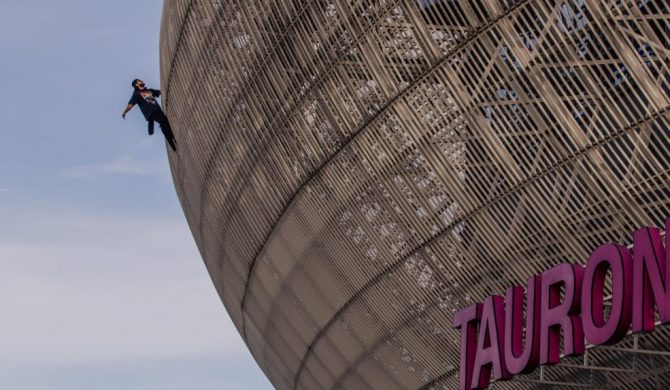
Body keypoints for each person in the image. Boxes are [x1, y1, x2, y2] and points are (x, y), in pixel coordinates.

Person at [122, 79, 177, 152]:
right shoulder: (136, 94)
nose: (142, 81)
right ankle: (172, 138)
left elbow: (160, 92)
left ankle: (172, 142)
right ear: (136, 85)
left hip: (157, 111)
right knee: (163, 122)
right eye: (139, 81)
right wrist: (125, 112)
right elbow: (130, 104)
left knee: (164, 123)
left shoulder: (149, 91)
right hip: (151, 112)